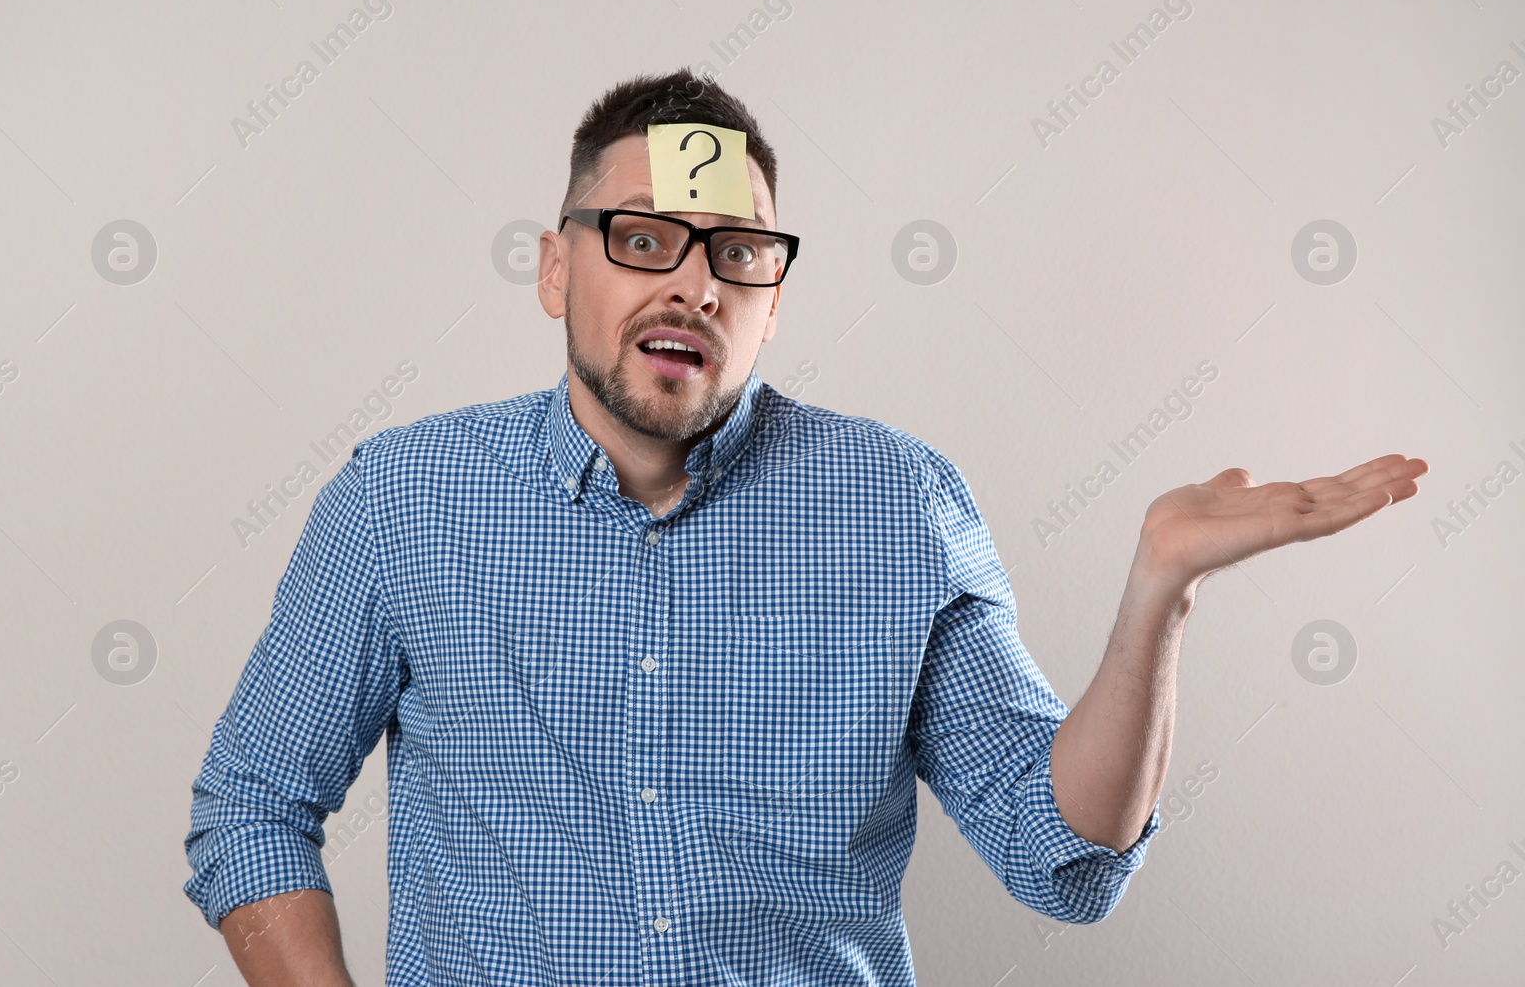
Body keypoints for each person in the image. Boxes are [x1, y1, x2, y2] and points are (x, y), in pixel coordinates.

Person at [182, 68, 1428, 986]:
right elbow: (250, 804)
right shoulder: (401, 499)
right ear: (559, 268)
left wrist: (1156, 591)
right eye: (647, 239)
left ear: (773, 302)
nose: (693, 282)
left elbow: (1063, 857)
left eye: (738, 252)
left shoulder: (900, 502)